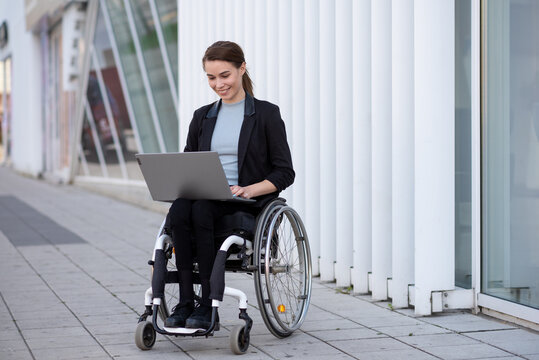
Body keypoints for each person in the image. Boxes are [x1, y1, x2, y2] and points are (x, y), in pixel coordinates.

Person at [164, 41, 294, 330]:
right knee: (181, 209)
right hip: (204, 195)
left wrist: (250, 189)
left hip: (243, 200)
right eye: (211, 77)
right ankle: (186, 301)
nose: (218, 84)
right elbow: (189, 164)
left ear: (242, 69)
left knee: (199, 210)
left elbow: (285, 172)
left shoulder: (266, 114)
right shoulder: (202, 117)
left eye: (225, 75)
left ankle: (209, 303)